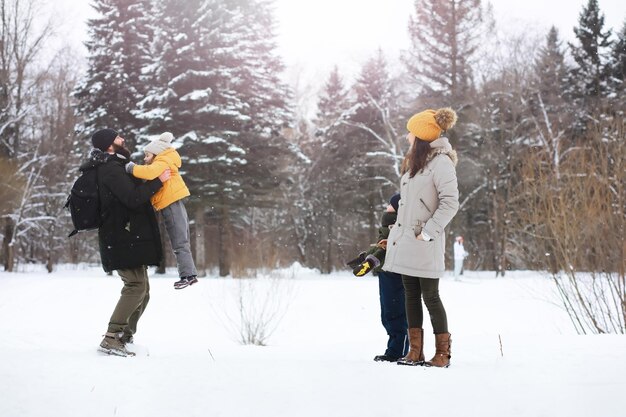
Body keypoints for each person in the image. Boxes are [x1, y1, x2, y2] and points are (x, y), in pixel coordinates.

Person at [383, 107, 459, 368]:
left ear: (422, 136)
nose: (407, 137)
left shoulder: (442, 163)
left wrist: (427, 233)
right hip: (406, 239)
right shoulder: (416, 164)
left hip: (425, 241)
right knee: (410, 295)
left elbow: (450, 203)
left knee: (431, 296)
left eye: (411, 133)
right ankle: (415, 351)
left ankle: (442, 353)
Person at [86, 128, 171, 357]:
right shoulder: (110, 170)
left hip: (128, 237)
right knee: (136, 287)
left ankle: (124, 336)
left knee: (144, 291)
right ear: (109, 146)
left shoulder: (118, 167)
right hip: (120, 237)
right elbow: (133, 199)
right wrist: (158, 182)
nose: (122, 139)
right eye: (117, 138)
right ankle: (111, 338)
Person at [125, 132, 198, 290]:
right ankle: (189, 274)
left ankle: (186, 275)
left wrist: (131, 168)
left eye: (147, 155)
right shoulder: (165, 160)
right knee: (182, 240)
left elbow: (148, 172)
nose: (145, 159)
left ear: (156, 153)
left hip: (170, 204)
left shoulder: (162, 160)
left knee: (179, 241)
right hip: (174, 203)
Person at [346, 193, 409, 362]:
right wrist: (364, 257)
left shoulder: (396, 226)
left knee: (396, 313)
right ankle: (395, 348)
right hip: (386, 273)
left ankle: (398, 351)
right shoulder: (388, 227)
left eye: (390, 205)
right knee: (388, 313)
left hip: (395, 273)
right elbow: (380, 246)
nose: (387, 207)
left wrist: (370, 262)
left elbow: (385, 250)